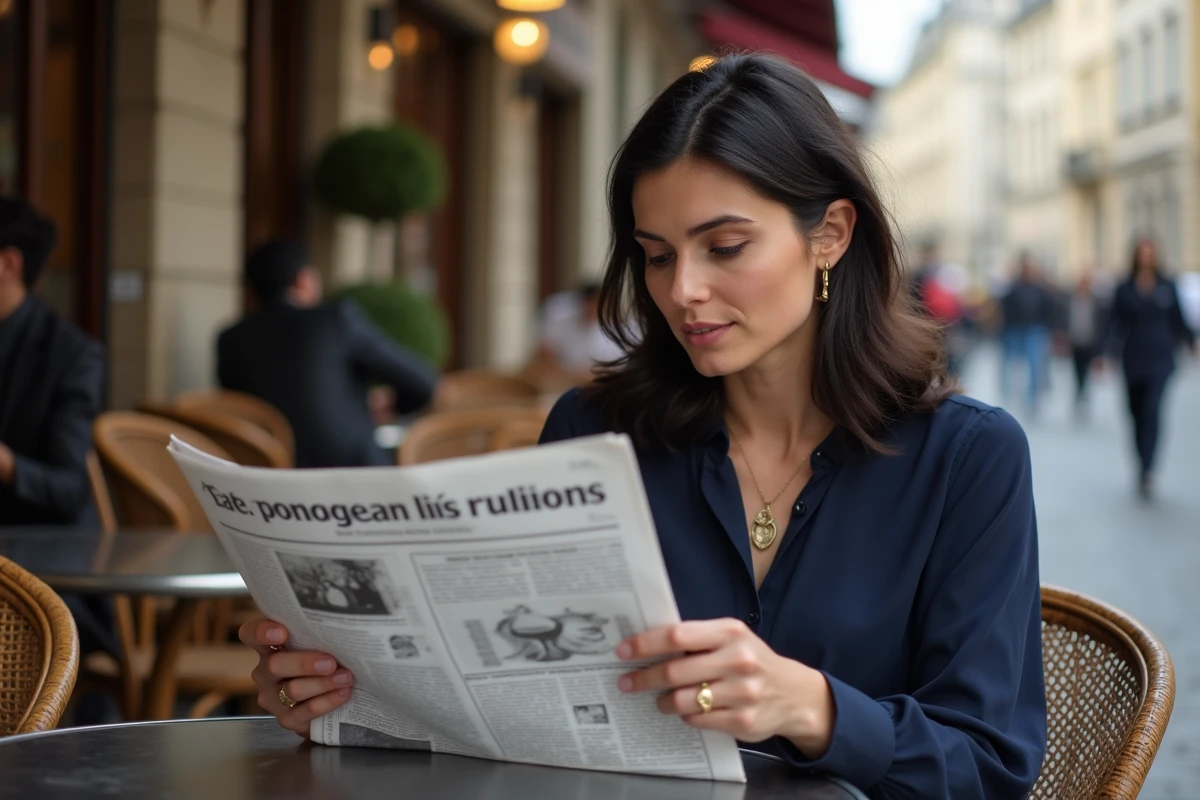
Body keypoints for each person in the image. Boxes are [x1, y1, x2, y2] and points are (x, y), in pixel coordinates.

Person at [236, 55, 1046, 798]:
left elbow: (988, 763)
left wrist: (816, 708)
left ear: (829, 235)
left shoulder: (967, 458)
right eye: (657, 255)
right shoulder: (594, 431)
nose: (683, 289)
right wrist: (350, 701)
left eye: (724, 246)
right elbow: (515, 716)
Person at [216, 239, 437, 468]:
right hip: (356, 486)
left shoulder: (229, 340)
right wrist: (389, 406)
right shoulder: (335, 320)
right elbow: (423, 382)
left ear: (252, 292)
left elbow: (242, 412)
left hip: (270, 488)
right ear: (303, 280)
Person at [0, 196, 105, 526]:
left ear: (7, 264)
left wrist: (6, 465)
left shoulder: (72, 354)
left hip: (35, 548)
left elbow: (70, 491)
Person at [1108, 236, 1197, 500]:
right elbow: (1113, 322)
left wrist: (1192, 343)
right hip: (1133, 357)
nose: (1146, 258)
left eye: (1150, 253)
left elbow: (1179, 320)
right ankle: (1140, 462)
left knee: (1153, 410)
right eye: (1142, 253)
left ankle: (1148, 469)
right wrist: (1105, 352)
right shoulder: (1124, 287)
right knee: (1136, 413)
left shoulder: (1167, 285)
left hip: (1161, 357)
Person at [531, 281, 624, 383]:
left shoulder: (613, 330)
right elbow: (545, 351)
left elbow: (613, 366)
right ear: (585, 302)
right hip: (560, 379)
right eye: (594, 303)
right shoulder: (561, 321)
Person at [999, 254, 1057, 416]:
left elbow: (1049, 309)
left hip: (1035, 330)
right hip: (1015, 330)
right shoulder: (1013, 288)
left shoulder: (1040, 289)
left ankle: (1032, 399)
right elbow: (1006, 309)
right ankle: (1016, 396)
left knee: (1035, 366)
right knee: (1015, 366)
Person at [1066, 270, 1108, 419]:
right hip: (1075, 341)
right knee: (1077, 371)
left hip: (1090, 342)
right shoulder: (1071, 300)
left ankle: (1083, 394)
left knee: (1085, 371)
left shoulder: (1096, 302)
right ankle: (1080, 393)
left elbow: (1102, 324)